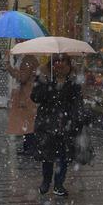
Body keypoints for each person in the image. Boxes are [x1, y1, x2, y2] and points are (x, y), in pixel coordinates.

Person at [31, 54, 84, 196]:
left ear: (68, 64)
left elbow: (77, 100)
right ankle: (46, 181)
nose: (60, 65)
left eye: (63, 62)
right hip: (47, 122)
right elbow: (35, 97)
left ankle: (59, 184)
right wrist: (46, 83)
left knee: (63, 155)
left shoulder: (73, 80)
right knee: (47, 155)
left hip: (66, 122)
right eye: (57, 61)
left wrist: (77, 118)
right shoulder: (44, 76)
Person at [5, 49, 40, 155]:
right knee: (26, 120)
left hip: (27, 95)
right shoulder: (26, 58)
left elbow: (23, 77)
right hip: (26, 94)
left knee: (28, 121)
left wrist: (10, 68)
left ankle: (30, 148)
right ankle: (27, 147)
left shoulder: (28, 59)